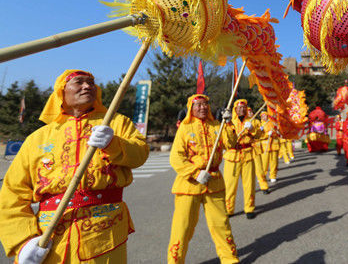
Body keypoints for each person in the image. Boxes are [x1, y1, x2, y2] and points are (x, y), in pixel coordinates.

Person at [0, 70, 149, 263]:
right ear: (62, 91)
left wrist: (113, 143)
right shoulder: (37, 138)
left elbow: (140, 154)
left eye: (91, 83)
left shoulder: (116, 123)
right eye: (79, 82)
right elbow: (13, 194)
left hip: (105, 233)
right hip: (49, 237)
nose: (87, 86)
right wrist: (23, 241)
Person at [167, 95, 238, 264]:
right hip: (189, 184)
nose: (203, 108)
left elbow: (231, 144)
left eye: (205, 104)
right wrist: (195, 173)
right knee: (182, 228)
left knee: (221, 225)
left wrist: (228, 123)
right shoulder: (184, 128)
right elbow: (176, 158)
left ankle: (230, 259)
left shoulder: (217, 126)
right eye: (198, 105)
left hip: (214, 182)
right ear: (191, 108)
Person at [222, 99, 260, 219]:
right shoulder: (229, 122)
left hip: (247, 154)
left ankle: (249, 208)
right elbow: (225, 141)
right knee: (229, 185)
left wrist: (252, 129)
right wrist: (227, 125)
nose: (241, 109)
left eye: (244, 107)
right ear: (234, 109)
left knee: (249, 184)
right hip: (232, 155)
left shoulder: (251, 122)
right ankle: (229, 208)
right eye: (238, 108)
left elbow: (259, 135)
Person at [247, 107, 270, 195]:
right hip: (245, 150)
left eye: (251, 111)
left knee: (259, 169)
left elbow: (261, 134)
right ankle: (250, 188)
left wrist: (259, 130)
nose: (250, 113)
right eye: (248, 112)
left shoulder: (257, 122)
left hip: (256, 147)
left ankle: (264, 186)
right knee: (248, 172)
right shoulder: (241, 122)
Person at [259, 112, 280, 183]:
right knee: (264, 163)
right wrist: (266, 134)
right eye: (262, 116)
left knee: (274, 162)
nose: (264, 117)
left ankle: (273, 176)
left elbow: (278, 132)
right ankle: (262, 177)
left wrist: (273, 132)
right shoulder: (260, 125)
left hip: (274, 145)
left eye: (265, 115)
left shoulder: (273, 123)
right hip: (265, 147)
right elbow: (259, 136)